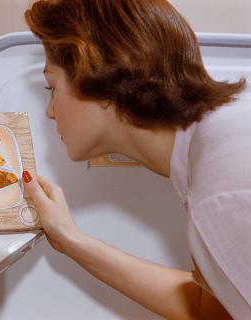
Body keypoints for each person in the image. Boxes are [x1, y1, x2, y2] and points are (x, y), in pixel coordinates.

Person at [21, 0, 251, 319]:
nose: (49, 111)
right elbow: (210, 307)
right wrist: (71, 240)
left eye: (52, 86)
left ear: (94, 73)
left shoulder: (221, 189)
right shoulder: (217, 146)